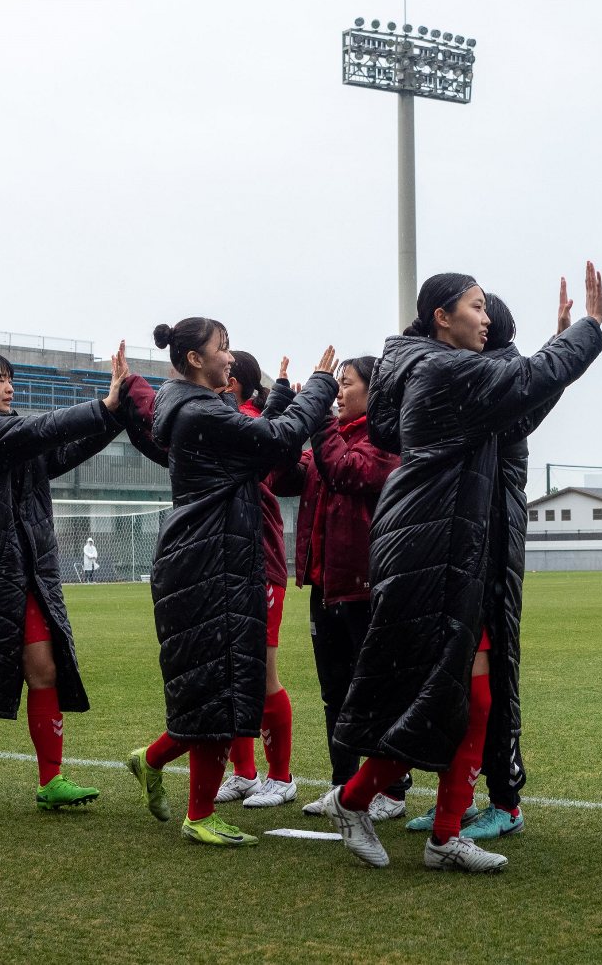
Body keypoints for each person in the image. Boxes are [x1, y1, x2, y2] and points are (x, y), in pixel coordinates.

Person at [325, 265, 602, 872]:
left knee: (471, 702)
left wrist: (558, 347)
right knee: (430, 700)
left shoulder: (441, 372)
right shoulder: (443, 370)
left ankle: (444, 834)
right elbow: (530, 374)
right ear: (441, 319)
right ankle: (356, 800)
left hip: (453, 551)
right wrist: (589, 328)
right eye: (475, 307)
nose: (486, 317)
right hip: (429, 552)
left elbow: (521, 405)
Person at [125, 319, 337, 847]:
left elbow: (263, 444)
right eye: (222, 348)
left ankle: (164, 774)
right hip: (207, 563)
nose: (230, 357)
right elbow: (281, 438)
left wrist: (285, 394)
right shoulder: (198, 411)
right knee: (216, 689)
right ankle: (197, 813)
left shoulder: (197, 409)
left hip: (217, 559)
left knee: (217, 690)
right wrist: (320, 385)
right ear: (195, 359)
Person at [0, 343, 131, 811]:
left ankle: (51, 780)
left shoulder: (8, 432)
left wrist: (115, 416)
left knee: (45, 668)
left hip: (25, 571)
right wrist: (102, 406)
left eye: (10, 377)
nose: (10, 386)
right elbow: (42, 429)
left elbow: (63, 448)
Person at [265, 356, 407, 822]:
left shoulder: (383, 442)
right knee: (336, 693)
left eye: (345, 385)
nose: (338, 393)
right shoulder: (329, 441)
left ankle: (389, 790)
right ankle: (343, 785)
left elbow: (345, 470)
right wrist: (290, 408)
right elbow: (282, 476)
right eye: (336, 386)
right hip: (327, 588)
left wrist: (318, 415)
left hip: (368, 590)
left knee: (374, 693)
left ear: (375, 392)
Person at [212, 350, 300, 809]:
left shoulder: (245, 423)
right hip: (231, 564)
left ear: (234, 385)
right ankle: (245, 774)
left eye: (226, 370)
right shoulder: (231, 419)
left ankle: (280, 777)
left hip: (260, 563)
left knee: (262, 672)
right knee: (232, 671)